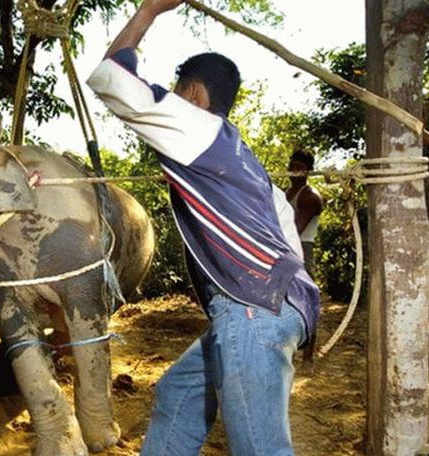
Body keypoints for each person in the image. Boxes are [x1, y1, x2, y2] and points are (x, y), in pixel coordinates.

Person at [86, 1, 320, 454]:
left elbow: (112, 77)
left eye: (176, 92)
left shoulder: (197, 127)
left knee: (260, 448)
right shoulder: (246, 162)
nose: (170, 101)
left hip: (251, 313)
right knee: (180, 392)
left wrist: (148, 12)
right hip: (273, 306)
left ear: (192, 94)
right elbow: (289, 238)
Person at [286, 150, 323, 276]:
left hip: (301, 248)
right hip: (285, 246)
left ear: (308, 171)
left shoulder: (310, 197)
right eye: (291, 166)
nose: (293, 170)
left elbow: (295, 229)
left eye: (299, 167)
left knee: (301, 292)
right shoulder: (285, 193)